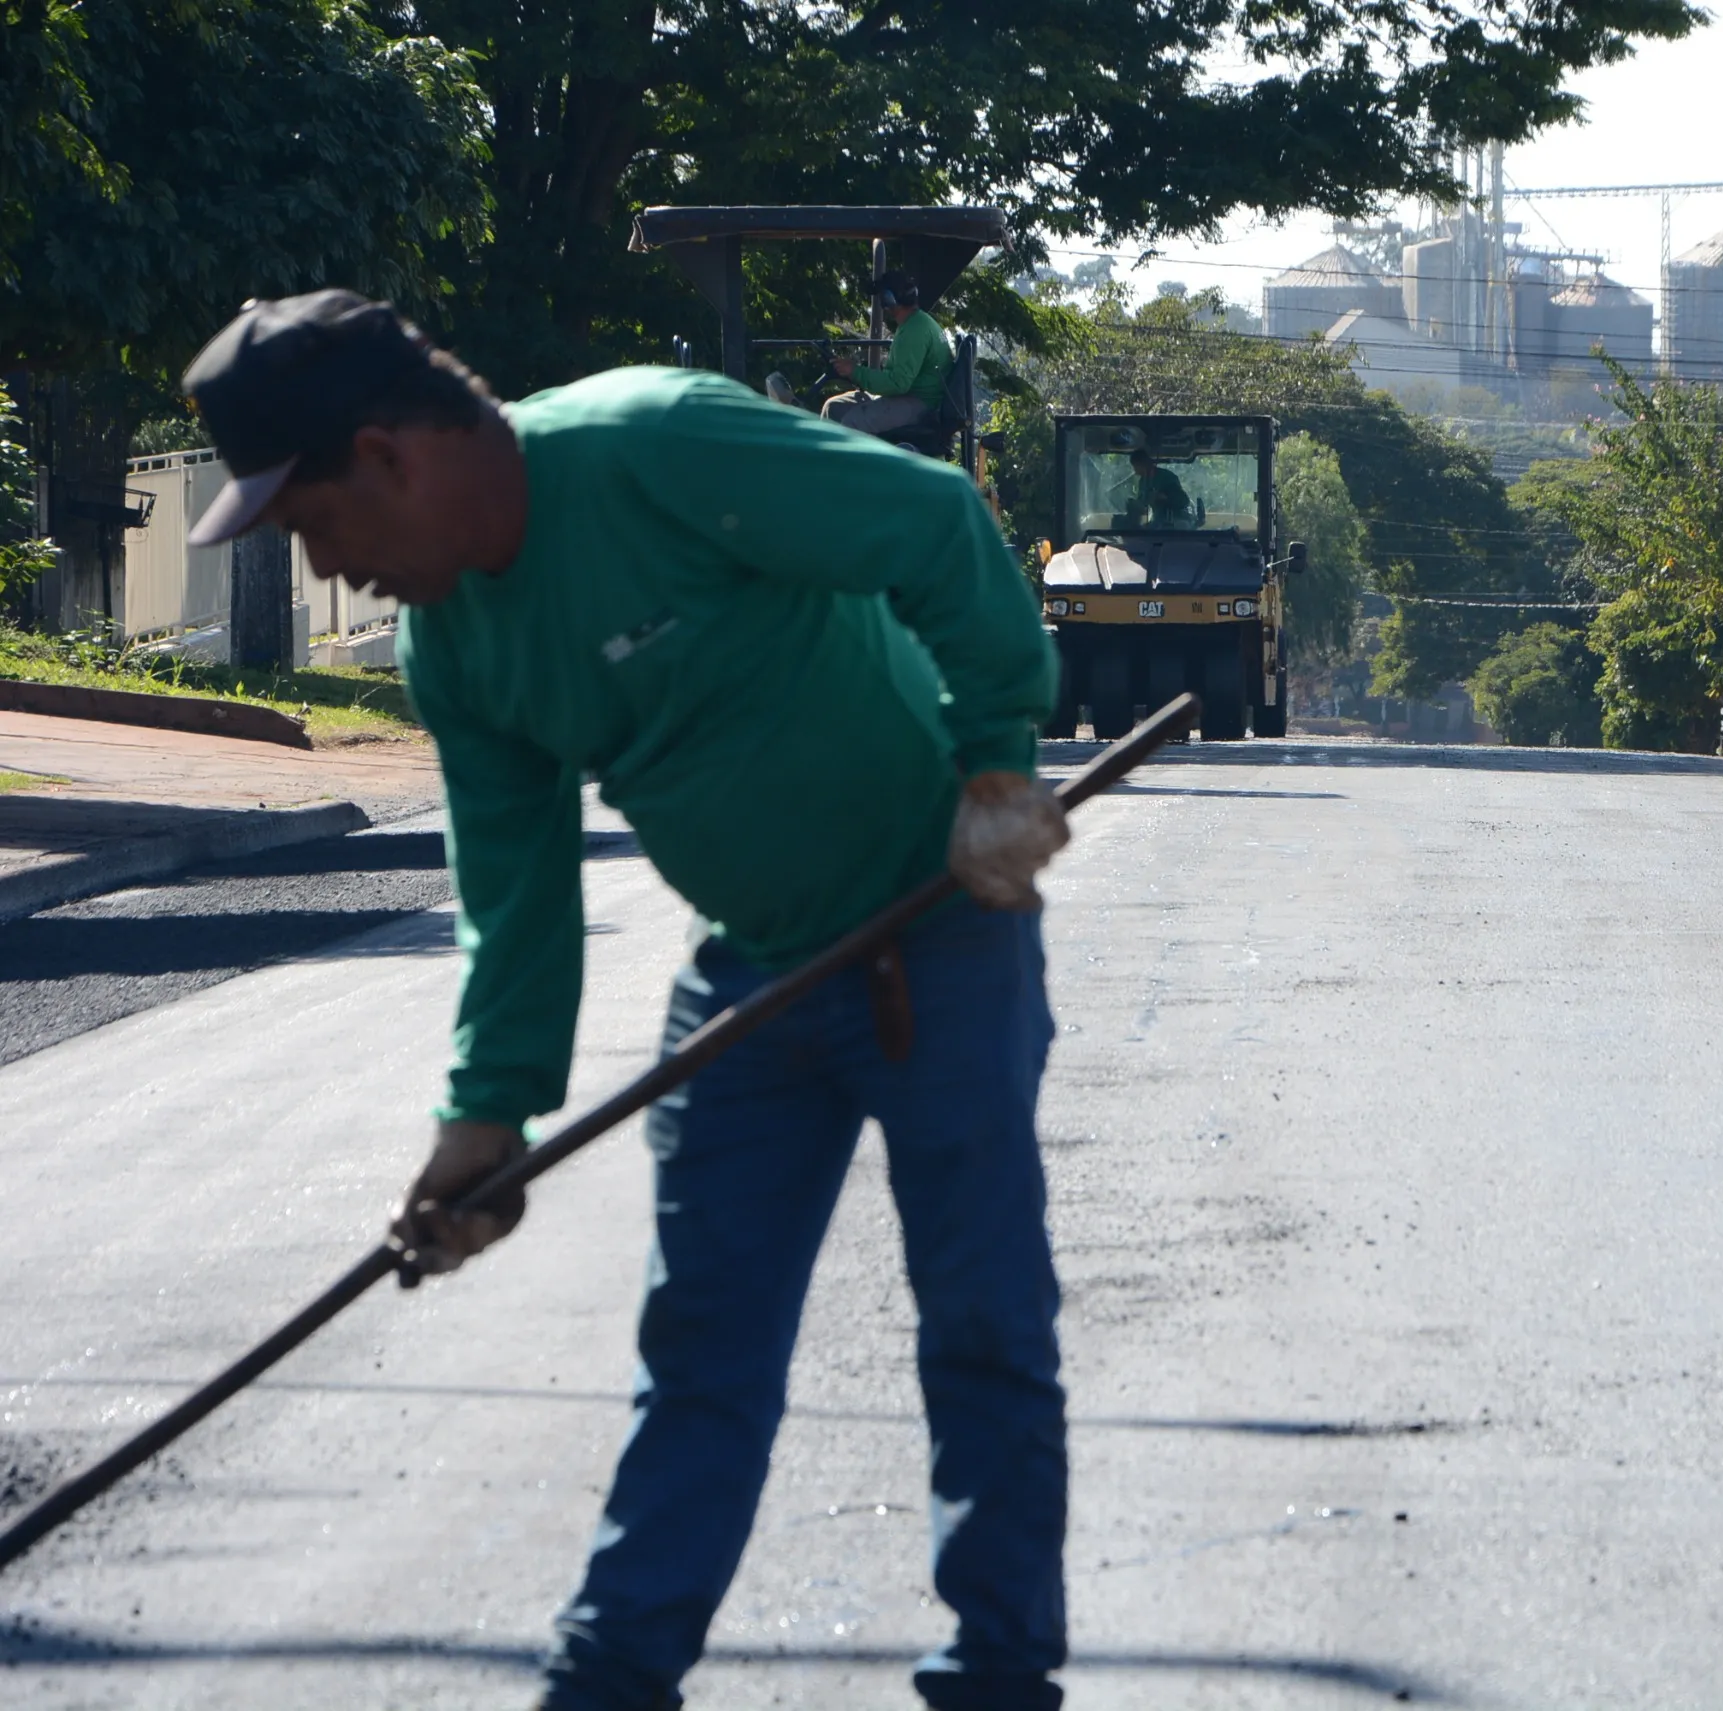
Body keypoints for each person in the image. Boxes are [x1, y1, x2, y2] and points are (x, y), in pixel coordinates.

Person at [178, 290, 1074, 1711]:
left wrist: (999, 764)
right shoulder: (454, 648)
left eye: (313, 523)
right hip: (755, 972)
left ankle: (998, 1675)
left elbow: (935, 527)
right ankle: (611, 1678)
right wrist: (485, 1113)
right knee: (701, 1349)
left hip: (942, 923)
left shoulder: (659, 446)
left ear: (388, 454)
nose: (327, 568)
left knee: (983, 1326)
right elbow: (516, 893)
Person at [824, 270, 955, 440]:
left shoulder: (914, 330)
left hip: (921, 403)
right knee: (833, 407)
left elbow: (898, 383)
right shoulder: (917, 323)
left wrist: (855, 372)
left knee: (853, 422)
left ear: (889, 300)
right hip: (910, 396)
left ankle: (854, 467)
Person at [1121, 447, 1190, 528]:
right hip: (1157, 522)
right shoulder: (1143, 482)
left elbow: (1184, 501)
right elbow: (1143, 505)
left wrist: (1164, 497)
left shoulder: (1168, 477)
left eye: (1136, 467)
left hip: (1176, 522)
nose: (1135, 471)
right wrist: (1134, 505)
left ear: (1143, 464)